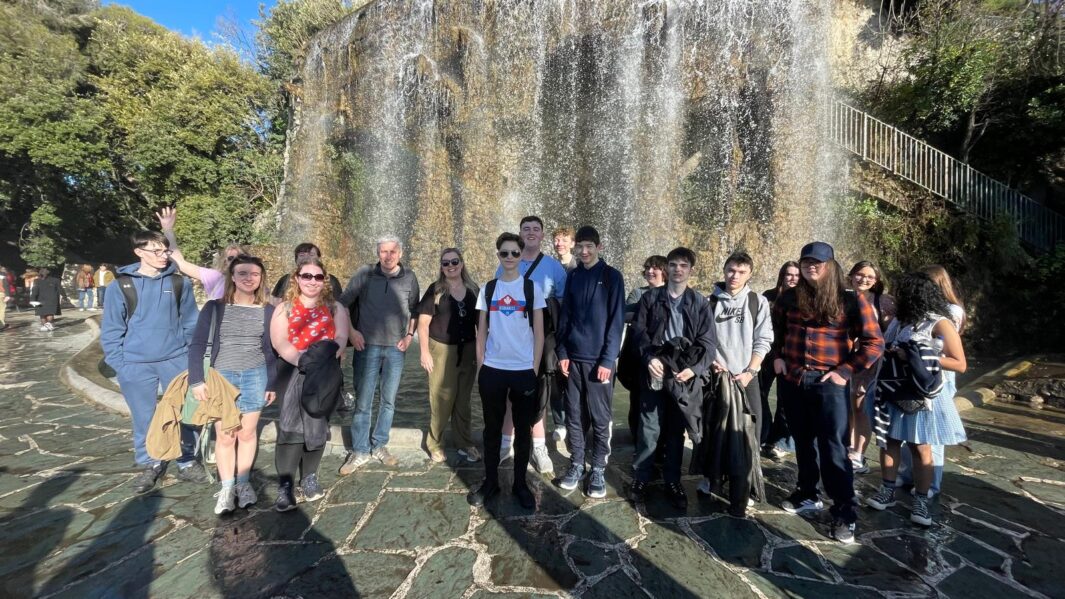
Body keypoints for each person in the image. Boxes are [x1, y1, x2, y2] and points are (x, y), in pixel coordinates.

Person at [771, 241, 884, 544]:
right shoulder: (789, 298)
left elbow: (874, 342)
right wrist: (778, 357)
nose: (811, 266)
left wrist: (846, 370)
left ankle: (844, 511)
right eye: (806, 261)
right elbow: (778, 330)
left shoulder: (853, 300)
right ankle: (808, 493)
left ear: (830, 265)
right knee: (803, 442)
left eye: (818, 262)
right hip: (794, 381)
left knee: (834, 448)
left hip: (829, 385)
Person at [100, 231, 206, 494]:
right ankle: (150, 463)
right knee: (144, 416)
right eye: (156, 251)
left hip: (175, 359)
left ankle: (186, 460)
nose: (163, 256)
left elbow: (191, 323)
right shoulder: (121, 286)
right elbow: (112, 330)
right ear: (139, 252)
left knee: (185, 413)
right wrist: (122, 366)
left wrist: (190, 359)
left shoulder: (180, 283)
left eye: (165, 251)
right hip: (136, 365)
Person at [864, 272, 966, 526]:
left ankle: (921, 501)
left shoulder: (940, 323)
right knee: (889, 442)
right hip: (892, 390)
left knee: (921, 447)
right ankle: (886, 490)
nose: (898, 299)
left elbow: (959, 363)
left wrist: (916, 356)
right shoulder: (899, 321)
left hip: (922, 395)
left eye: (903, 294)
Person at [188, 255, 278, 515]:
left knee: (247, 433)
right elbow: (197, 344)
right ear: (232, 277)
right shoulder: (214, 308)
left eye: (254, 274)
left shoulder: (268, 310)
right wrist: (197, 379)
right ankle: (227, 488)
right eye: (242, 273)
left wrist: (271, 381)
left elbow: (271, 351)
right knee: (226, 434)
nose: (249, 278)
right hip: (222, 377)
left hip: (255, 375)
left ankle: (243, 483)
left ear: (261, 278)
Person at [629, 247, 714, 509]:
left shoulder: (700, 302)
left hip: (682, 373)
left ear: (691, 270)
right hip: (655, 369)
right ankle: (641, 478)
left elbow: (708, 343)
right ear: (668, 268)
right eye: (674, 265)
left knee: (676, 430)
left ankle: (672, 480)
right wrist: (648, 359)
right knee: (649, 427)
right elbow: (639, 334)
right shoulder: (651, 298)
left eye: (683, 265)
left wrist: (695, 369)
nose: (678, 269)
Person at [467, 232, 546, 510]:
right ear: (498, 255)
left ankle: (520, 484)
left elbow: (539, 331)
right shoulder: (488, 289)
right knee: (491, 430)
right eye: (504, 253)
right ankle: (490, 482)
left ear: (521, 256)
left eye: (515, 253)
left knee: (523, 431)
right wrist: (481, 367)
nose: (509, 257)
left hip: (523, 369)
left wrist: (534, 367)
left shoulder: (531, 288)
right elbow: (481, 332)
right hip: (493, 369)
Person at [695, 251, 773, 515]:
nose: (734, 276)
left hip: (747, 377)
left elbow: (764, 339)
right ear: (724, 269)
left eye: (741, 272)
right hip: (716, 376)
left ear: (750, 274)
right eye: (731, 270)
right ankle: (712, 476)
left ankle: (746, 484)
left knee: (750, 431)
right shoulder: (710, 301)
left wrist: (750, 371)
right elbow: (703, 338)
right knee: (713, 427)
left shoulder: (757, 302)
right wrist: (714, 361)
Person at [270, 256, 350, 511]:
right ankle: (285, 484)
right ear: (297, 278)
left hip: (324, 372)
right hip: (293, 371)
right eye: (307, 276)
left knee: (317, 424)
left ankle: (309, 477)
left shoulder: (336, 308)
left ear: (324, 280)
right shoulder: (284, 308)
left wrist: (319, 359)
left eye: (318, 277)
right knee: (290, 428)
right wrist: (303, 360)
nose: (312, 281)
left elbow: (340, 338)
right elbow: (280, 341)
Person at [338, 236, 420, 473]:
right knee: (363, 402)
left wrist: (409, 336)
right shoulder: (365, 273)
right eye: (383, 251)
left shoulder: (410, 277)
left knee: (389, 401)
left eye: (392, 251)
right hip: (367, 348)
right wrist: (351, 332)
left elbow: (415, 308)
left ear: (400, 253)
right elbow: (342, 304)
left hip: (396, 349)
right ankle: (360, 450)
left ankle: (380, 445)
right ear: (378, 253)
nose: (388, 255)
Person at [555, 226, 625, 498]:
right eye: (580, 247)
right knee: (573, 415)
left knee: (600, 417)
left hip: (600, 362)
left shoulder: (611, 277)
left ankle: (597, 468)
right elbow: (565, 318)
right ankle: (576, 464)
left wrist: (608, 358)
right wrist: (562, 352)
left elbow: (616, 320)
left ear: (599, 247)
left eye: (589, 246)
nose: (584, 252)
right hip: (573, 359)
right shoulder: (573, 277)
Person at [497, 216, 567, 472]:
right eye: (526, 229)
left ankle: (539, 447)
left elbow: (562, 307)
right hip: (511, 338)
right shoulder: (507, 260)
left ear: (542, 234)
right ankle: (507, 443)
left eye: (536, 229)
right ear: (520, 233)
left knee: (540, 393)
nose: (531, 233)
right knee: (509, 393)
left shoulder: (553, 268)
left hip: (541, 337)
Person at [895, 264, 966, 496]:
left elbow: (957, 360)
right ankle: (909, 475)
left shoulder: (945, 318)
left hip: (932, 384)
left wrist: (918, 356)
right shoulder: (908, 319)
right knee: (909, 436)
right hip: (908, 385)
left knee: (930, 438)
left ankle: (930, 485)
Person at [416, 248, 481, 463]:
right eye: (446, 263)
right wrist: (424, 352)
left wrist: (483, 353)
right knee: (441, 399)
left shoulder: (473, 290)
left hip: (468, 349)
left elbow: (482, 325)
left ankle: (465, 443)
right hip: (441, 349)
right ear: (441, 267)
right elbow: (423, 323)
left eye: (454, 261)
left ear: (462, 264)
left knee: (463, 401)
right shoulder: (435, 290)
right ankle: (435, 443)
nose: (450, 266)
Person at [847, 260, 896, 475]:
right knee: (847, 406)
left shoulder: (883, 302)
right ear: (851, 275)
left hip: (869, 361)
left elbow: (892, 332)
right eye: (859, 274)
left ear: (876, 281)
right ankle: (848, 449)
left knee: (860, 406)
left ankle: (859, 454)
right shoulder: (843, 296)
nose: (863, 279)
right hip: (844, 358)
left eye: (869, 276)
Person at [156, 207, 251, 301]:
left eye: (241, 256)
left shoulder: (255, 280)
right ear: (225, 262)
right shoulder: (215, 277)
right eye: (231, 258)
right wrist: (168, 229)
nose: (237, 260)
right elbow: (180, 263)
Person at [621, 255, 667, 443]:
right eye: (647, 268)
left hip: (664, 357)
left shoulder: (673, 294)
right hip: (639, 357)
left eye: (655, 268)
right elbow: (625, 314)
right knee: (638, 399)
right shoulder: (638, 293)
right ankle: (637, 440)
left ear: (664, 271)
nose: (650, 271)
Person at [758, 261, 800, 458]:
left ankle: (783, 441)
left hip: (789, 355)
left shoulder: (803, 298)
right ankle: (764, 435)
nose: (792, 278)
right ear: (782, 275)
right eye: (788, 274)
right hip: (767, 353)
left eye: (796, 275)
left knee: (786, 401)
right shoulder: (769, 295)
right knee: (760, 394)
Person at [270, 242, 344, 304]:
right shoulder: (286, 279)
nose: (307, 258)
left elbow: (340, 305)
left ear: (319, 258)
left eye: (311, 254)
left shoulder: (331, 280)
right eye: (302, 255)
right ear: (296, 259)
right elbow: (275, 303)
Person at [0, 265, 13, 330]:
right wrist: (7, 295)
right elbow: (6, 285)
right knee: (1, 310)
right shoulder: (2, 275)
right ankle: (1, 325)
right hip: (1, 293)